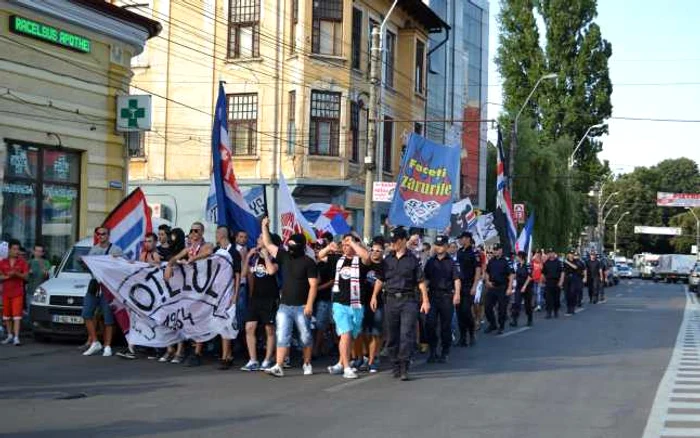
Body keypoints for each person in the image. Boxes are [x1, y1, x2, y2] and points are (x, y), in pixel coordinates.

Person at [260, 217, 318, 378]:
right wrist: (264, 226)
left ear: (301, 246)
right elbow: (268, 244)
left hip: (302, 307)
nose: (290, 247)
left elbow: (313, 285)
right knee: (282, 336)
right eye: (289, 244)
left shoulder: (309, 262)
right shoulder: (284, 256)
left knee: (305, 337)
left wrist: (309, 305)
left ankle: (307, 363)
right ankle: (278, 365)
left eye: (293, 245)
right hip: (284, 306)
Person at [370, 228, 429, 381]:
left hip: (408, 300)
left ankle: (404, 366)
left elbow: (421, 281)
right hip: (390, 300)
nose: (393, 244)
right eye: (391, 241)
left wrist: (425, 300)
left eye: (395, 240)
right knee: (391, 335)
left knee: (406, 334)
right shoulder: (387, 260)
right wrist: (374, 296)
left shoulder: (413, 260)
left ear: (403, 240)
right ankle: (395, 363)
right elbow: (380, 279)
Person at [320, 234, 371, 379]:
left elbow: (367, 257)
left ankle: (341, 363)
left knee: (351, 336)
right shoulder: (337, 259)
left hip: (356, 304)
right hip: (339, 303)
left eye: (348, 244)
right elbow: (321, 256)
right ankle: (347, 367)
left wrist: (354, 244)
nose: (345, 246)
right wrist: (329, 247)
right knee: (346, 334)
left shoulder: (360, 260)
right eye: (344, 244)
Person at [164, 222, 213, 366]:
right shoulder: (189, 247)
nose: (193, 233)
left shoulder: (205, 245)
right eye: (191, 230)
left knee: (200, 318)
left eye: (196, 230)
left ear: (201, 233)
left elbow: (209, 252)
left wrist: (194, 258)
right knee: (189, 318)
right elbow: (175, 257)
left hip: (204, 288)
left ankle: (197, 352)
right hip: (191, 288)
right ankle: (188, 350)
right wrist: (169, 265)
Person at [240, 233, 281, 372]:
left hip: (270, 297)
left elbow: (271, 271)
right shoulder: (255, 257)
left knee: (269, 329)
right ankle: (253, 360)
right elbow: (245, 274)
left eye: (260, 238)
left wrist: (266, 255)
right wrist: (248, 257)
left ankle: (268, 359)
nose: (257, 240)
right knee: (249, 327)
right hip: (255, 297)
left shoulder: (275, 256)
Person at [118, 233, 162, 360]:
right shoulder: (143, 254)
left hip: (153, 293)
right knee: (137, 320)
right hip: (142, 292)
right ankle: (133, 347)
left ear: (155, 242)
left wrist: (148, 265)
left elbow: (158, 267)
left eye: (150, 241)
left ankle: (156, 348)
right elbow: (137, 267)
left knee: (152, 320)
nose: (147, 243)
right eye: (146, 241)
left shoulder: (155, 254)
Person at [82, 227, 122, 356]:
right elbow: (90, 268)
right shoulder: (93, 249)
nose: (100, 236)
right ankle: (95, 341)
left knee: (108, 317)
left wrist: (117, 259)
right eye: (98, 234)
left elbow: (122, 267)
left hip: (108, 285)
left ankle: (107, 345)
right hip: (94, 283)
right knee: (86, 313)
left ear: (108, 235)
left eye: (103, 234)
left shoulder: (116, 249)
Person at [423, 235, 461, 363]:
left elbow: (456, 279)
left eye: (441, 245)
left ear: (446, 246)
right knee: (430, 324)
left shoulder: (452, 262)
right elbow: (426, 279)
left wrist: (457, 294)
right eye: (437, 245)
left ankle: (445, 351)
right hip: (432, 296)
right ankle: (433, 351)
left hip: (446, 297)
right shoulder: (430, 261)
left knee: (446, 326)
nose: (439, 247)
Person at [212, 225, 241, 370]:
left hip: (228, 293)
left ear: (222, 234)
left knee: (226, 324)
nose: (215, 235)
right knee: (221, 324)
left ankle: (225, 357)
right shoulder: (218, 252)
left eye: (217, 233)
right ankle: (228, 355)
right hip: (218, 293)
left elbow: (237, 274)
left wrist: (235, 295)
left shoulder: (233, 252)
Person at [359, 238, 385, 373]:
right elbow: (362, 252)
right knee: (363, 332)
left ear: (382, 252)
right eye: (372, 250)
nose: (375, 253)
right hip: (362, 301)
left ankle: (372, 360)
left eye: (378, 251)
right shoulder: (366, 264)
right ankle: (364, 356)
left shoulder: (384, 266)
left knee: (376, 333)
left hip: (378, 303)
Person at [0, 239, 29, 346]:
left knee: (17, 316)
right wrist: (8, 276)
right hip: (6, 292)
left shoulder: (22, 262)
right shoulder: (3, 262)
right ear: (9, 249)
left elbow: (26, 277)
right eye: (14, 249)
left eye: (18, 249)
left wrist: (16, 273)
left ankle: (16, 337)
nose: (16, 251)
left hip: (18, 292)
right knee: (6, 316)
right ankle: (9, 335)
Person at [455, 231, 481, 347]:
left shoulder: (474, 252)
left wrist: (475, 286)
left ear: (468, 239)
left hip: (469, 285)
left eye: (462, 238)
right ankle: (462, 337)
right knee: (460, 313)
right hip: (459, 285)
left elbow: (478, 270)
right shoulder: (460, 252)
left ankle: (471, 333)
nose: (460, 240)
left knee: (466, 310)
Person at [483, 244, 514, 335]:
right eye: (494, 250)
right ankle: (493, 324)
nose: (495, 251)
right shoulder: (491, 260)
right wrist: (487, 281)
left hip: (502, 287)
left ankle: (501, 326)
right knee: (487, 307)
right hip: (492, 287)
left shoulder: (506, 260)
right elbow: (487, 272)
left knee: (502, 309)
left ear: (501, 250)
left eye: (497, 250)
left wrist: (509, 288)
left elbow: (511, 274)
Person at [313, 239, 334, 358]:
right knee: (314, 325)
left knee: (320, 325)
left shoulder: (329, 263)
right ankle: (318, 347)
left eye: (320, 247)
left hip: (324, 298)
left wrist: (318, 289)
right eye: (316, 247)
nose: (317, 249)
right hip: (313, 298)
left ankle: (316, 349)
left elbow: (332, 281)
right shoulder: (313, 262)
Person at [511, 251, 534, 327]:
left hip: (527, 287)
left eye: (517, 256)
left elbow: (529, 276)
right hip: (518, 286)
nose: (516, 257)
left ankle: (529, 319)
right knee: (516, 303)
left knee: (527, 304)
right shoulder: (517, 265)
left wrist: (524, 286)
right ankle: (514, 320)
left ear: (521, 257)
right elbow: (514, 275)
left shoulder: (528, 265)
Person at [27, 244, 51, 312]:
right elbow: (25, 276)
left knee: (39, 311)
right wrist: (28, 272)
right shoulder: (29, 262)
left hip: (41, 291)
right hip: (31, 290)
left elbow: (48, 277)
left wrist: (46, 274)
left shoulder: (46, 262)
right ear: (33, 251)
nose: (38, 253)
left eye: (40, 251)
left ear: (43, 253)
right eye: (36, 251)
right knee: (30, 310)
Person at [542, 248, 564, 319]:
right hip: (548, 282)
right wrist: (542, 281)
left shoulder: (558, 262)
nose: (551, 254)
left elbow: (562, 273)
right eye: (549, 253)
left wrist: (561, 281)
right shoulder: (546, 263)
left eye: (552, 252)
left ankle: (556, 311)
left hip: (556, 281)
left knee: (556, 298)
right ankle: (549, 312)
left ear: (554, 253)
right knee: (548, 298)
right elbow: (543, 273)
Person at [563, 249, 585, 316]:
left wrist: (567, 262)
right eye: (570, 254)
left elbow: (575, 267)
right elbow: (563, 271)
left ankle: (572, 309)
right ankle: (568, 308)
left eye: (572, 254)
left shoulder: (576, 261)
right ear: (568, 254)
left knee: (573, 293)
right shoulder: (564, 262)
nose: (571, 255)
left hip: (574, 278)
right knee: (567, 294)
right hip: (567, 279)